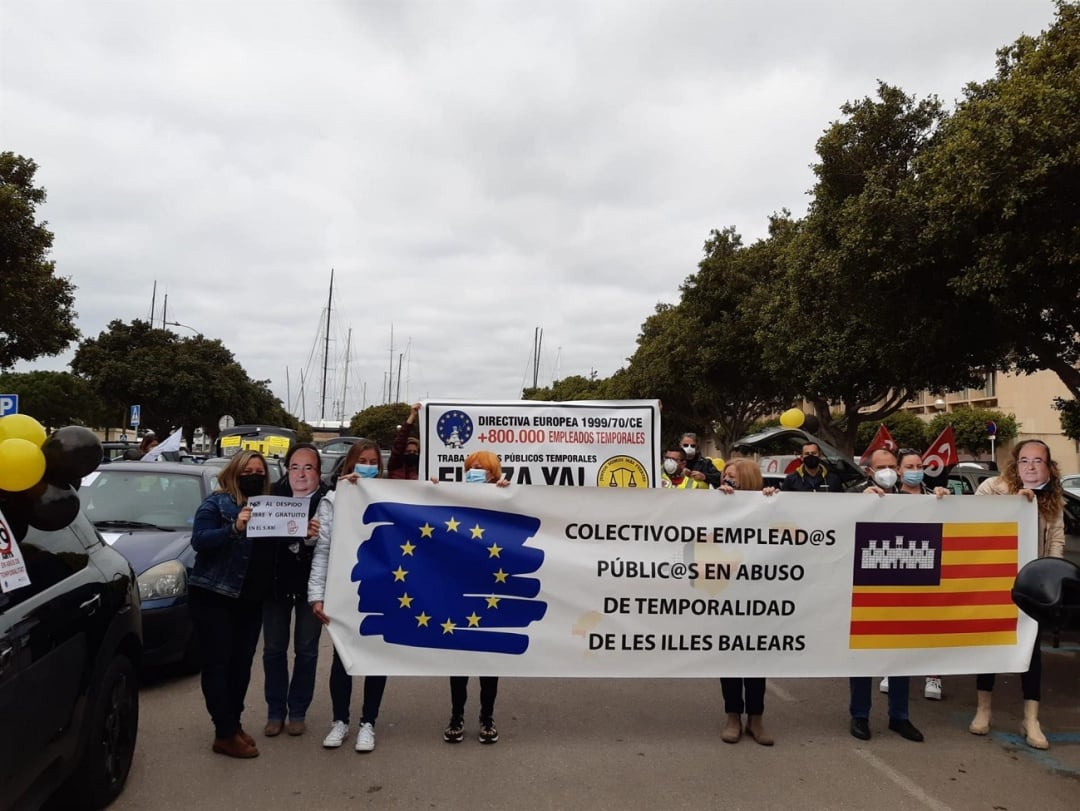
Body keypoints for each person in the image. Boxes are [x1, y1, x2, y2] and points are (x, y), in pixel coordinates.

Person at [968, 439, 1065, 750]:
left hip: (1032, 588)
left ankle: (1031, 718)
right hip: (996, 582)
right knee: (990, 646)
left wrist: (1052, 579)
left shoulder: (1053, 499)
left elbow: (1056, 541)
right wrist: (1013, 501)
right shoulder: (992, 488)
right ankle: (983, 709)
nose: (1031, 466)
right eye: (1025, 460)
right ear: (1015, 464)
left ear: (1049, 466)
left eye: (1038, 460)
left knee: (1031, 651)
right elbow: (972, 521)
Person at [189, 450, 271, 758]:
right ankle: (223, 732)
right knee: (218, 664)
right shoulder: (216, 503)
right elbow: (200, 540)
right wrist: (234, 528)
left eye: (259, 472)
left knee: (241, 665)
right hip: (214, 596)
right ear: (235, 472)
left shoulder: (268, 506)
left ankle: (233, 724)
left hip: (249, 600)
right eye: (248, 470)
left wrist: (303, 533)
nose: (254, 475)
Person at [309, 440, 390, 752]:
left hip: (382, 588)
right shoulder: (332, 501)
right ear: (349, 465)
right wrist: (317, 595)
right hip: (345, 590)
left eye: (373, 462)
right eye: (362, 461)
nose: (367, 466)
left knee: (375, 657)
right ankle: (339, 721)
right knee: (342, 658)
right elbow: (322, 551)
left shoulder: (390, 497)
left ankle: (368, 722)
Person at [847, 447, 932, 743]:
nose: (888, 471)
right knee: (863, 656)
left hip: (903, 585)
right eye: (881, 466)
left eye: (892, 466)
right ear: (869, 470)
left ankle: (900, 717)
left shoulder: (912, 497)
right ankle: (860, 715)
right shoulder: (854, 495)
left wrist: (941, 501)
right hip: (866, 586)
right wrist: (861, 505)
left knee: (900, 654)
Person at [259, 443, 328, 738]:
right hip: (274, 587)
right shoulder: (269, 497)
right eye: (295, 467)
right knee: (273, 651)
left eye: (308, 468)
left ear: (318, 472)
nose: (301, 474)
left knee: (306, 651)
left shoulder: (330, 500)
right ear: (287, 469)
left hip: (311, 590)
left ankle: (297, 711)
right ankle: (275, 711)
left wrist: (313, 539)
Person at [443, 450, 510, 745]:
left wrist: (511, 495)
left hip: (492, 589)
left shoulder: (506, 497)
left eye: (482, 468)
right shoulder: (453, 497)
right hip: (459, 589)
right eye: (471, 467)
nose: (476, 471)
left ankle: (487, 717)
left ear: (494, 472)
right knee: (459, 658)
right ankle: (456, 715)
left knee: (488, 658)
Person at [879, 449, 949, 701]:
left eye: (919, 465)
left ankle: (933, 675)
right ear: (898, 470)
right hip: (897, 565)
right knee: (896, 622)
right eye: (909, 466)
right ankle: (893, 670)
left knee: (932, 623)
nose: (915, 470)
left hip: (929, 565)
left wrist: (949, 501)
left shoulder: (936, 496)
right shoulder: (887, 497)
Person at [716, 458, 777, 745]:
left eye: (735, 476)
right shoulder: (714, 502)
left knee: (755, 656)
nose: (729, 480)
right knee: (730, 656)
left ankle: (756, 718)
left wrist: (771, 501)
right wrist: (718, 502)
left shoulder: (769, 503)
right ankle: (732, 715)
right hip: (726, 593)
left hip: (759, 594)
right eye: (726, 475)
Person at [388, 402, 421, 480]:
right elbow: (400, 440)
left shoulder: (421, 468)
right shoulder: (395, 464)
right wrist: (412, 415)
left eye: (414, 452)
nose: (411, 454)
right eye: (408, 451)